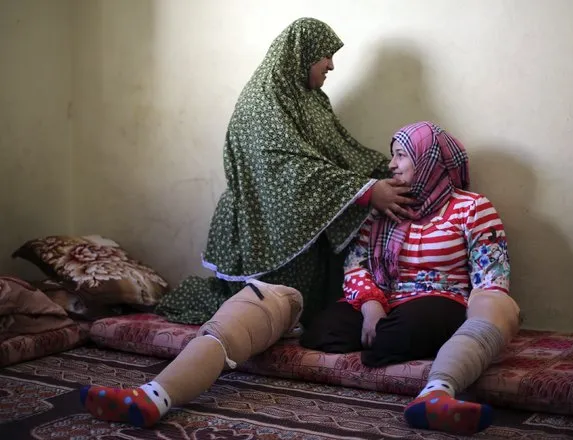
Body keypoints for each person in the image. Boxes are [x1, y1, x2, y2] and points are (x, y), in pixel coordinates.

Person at [79, 17, 415, 428]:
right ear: (302, 53)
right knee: (260, 304)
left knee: (294, 315)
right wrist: (365, 191)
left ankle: (159, 394)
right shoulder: (264, 100)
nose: (331, 66)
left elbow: (341, 150)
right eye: (326, 56)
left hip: (306, 241)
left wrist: (389, 172)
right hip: (262, 225)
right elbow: (283, 167)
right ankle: (158, 392)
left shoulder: (313, 100)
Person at [300, 121, 521, 436]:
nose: (391, 164)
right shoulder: (383, 209)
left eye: (401, 155)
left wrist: (483, 317)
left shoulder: (471, 207)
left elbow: (492, 281)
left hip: (440, 301)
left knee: (407, 329)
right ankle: (388, 341)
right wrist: (371, 307)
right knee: (320, 330)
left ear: (430, 161)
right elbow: (355, 266)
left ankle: (423, 363)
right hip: (385, 300)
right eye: (393, 155)